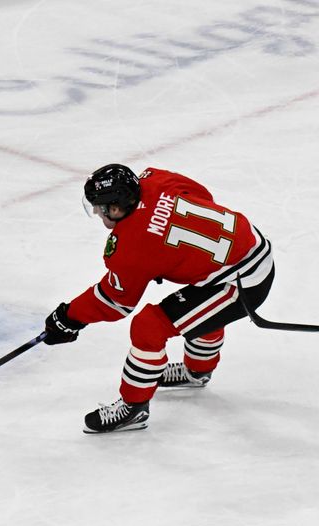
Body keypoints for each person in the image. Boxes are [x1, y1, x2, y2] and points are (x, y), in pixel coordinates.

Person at [44, 164, 275, 433]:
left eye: (99, 207)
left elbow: (115, 301)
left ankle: (134, 407)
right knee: (197, 304)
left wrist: (69, 317)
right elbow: (202, 195)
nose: (96, 212)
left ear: (116, 208)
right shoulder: (155, 179)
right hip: (251, 248)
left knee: (149, 326)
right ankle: (197, 371)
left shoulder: (131, 245)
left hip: (243, 283)